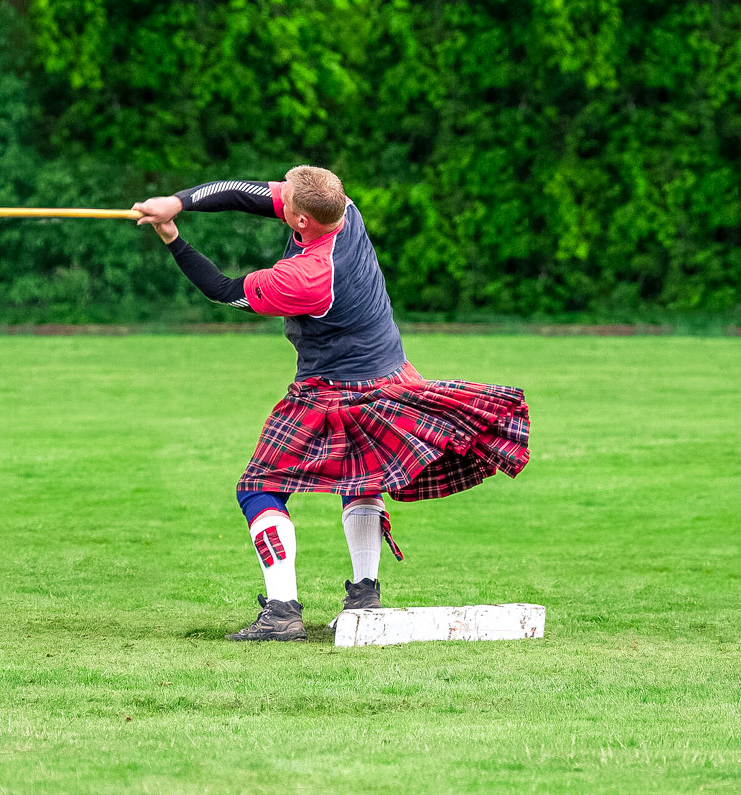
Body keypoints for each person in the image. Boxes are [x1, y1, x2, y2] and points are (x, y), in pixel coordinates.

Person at [134, 166, 530, 642]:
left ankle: (281, 613)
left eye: (286, 199)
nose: (276, 196)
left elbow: (222, 289)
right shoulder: (346, 212)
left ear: (300, 220)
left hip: (332, 388)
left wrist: (173, 236)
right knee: (364, 481)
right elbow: (248, 195)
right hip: (390, 375)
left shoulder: (306, 276)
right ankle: (365, 596)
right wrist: (180, 200)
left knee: (258, 487)